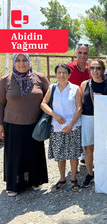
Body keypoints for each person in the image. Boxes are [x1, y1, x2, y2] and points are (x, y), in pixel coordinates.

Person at [0, 53, 49, 197]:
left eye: (25, 60)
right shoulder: (5, 80)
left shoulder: (40, 78)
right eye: (18, 60)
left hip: (35, 124)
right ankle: (14, 185)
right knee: (15, 155)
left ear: (29, 61)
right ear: (14, 62)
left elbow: (49, 97)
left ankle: (35, 181)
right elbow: (0, 103)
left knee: (34, 154)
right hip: (13, 124)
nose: (22, 63)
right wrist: (0, 124)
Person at [41, 64, 83, 192]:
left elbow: (79, 108)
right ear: (55, 74)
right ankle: (62, 178)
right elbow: (43, 103)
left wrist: (71, 125)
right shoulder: (52, 88)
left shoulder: (75, 88)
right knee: (60, 154)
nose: (62, 75)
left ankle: (74, 178)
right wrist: (54, 114)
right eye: (59, 72)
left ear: (69, 75)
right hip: (57, 126)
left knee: (73, 153)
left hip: (73, 126)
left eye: (64, 72)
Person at [79, 59, 107, 188]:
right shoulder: (84, 84)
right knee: (89, 147)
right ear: (89, 70)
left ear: (103, 70)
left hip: (104, 120)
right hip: (88, 118)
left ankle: (105, 172)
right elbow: (82, 102)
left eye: (98, 68)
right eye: (93, 68)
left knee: (104, 147)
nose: (95, 71)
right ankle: (90, 173)